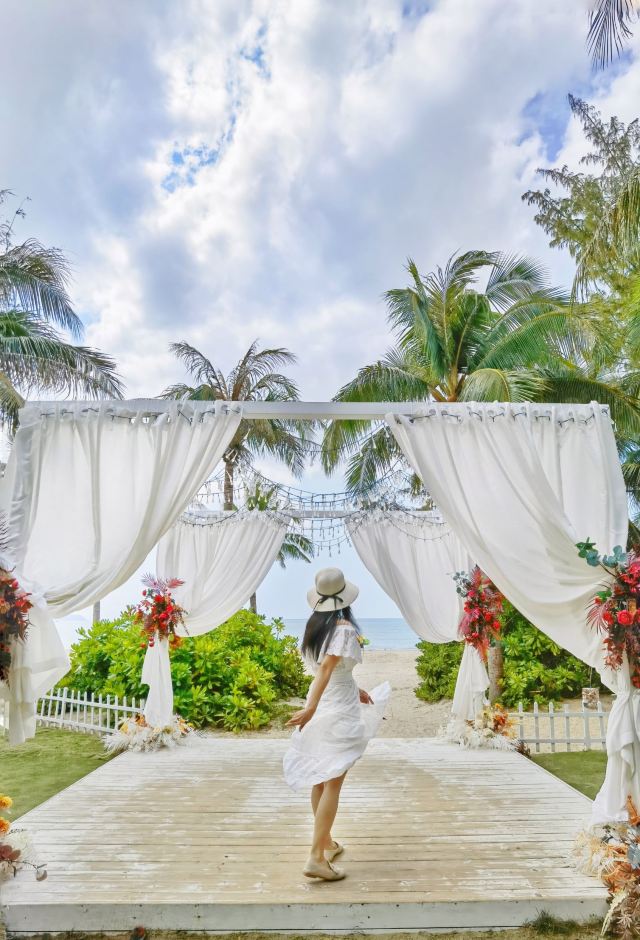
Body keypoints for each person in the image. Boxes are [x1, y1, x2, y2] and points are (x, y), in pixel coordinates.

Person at [283, 567, 390, 881]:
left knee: (320, 778)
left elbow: (330, 670)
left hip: (333, 697)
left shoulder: (315, 627)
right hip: (334, 706)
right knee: (333, 780)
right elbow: (326, 670)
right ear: (345, 598)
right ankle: (316, 857)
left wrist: (357, 690)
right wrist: (310, 709)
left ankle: (326, 843)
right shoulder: (343, 629)